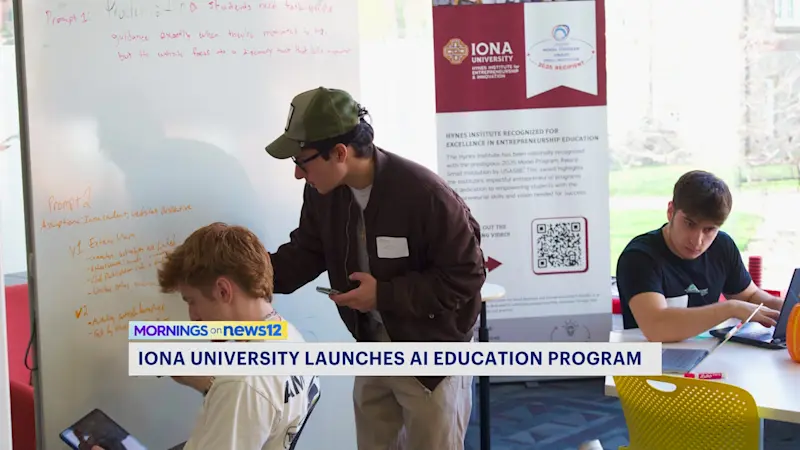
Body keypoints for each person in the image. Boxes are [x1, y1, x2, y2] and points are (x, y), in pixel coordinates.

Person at [265, 87, 486, 450]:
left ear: (340, 153)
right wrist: (247, 276)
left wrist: (384, 295)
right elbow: (305, 252)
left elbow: (466, 277)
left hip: (432, 358)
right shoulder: (323, 193)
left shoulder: (424, 194)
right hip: (372, 347)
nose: (297, 174)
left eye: (302, 161)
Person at [86, 223, 317, 450]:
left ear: (223, 291)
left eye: (192, 301)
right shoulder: (291, 338)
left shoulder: (241, 383)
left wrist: (227, 388)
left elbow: (247, 391)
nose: (193, 318)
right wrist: (211, 386)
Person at [616, 170, 784, 343]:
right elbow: (657, 328)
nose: (697, 241)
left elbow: (750, 296)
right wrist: (730, 308)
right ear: (670, 211)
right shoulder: (639, 257)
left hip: (707, 354)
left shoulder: (722, 245)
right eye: (689, 224)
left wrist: (787, 309)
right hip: (650, 358)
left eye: (709, 229)